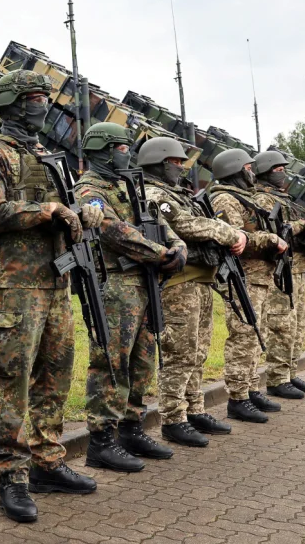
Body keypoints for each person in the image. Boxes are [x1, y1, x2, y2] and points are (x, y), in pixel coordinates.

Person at [0, 70, 99, 523]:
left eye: (44, 97)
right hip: (17, 287)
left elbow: (75, 202)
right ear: (10, 102)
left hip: (58, 282)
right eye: (32, 97)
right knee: (14, 379)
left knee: (55, 374)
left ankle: (48, 462)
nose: (41, 105)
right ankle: (13, 475)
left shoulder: (49, 156)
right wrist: (46, 209)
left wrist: (87, 212)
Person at [76, 123, 185, 472]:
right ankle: (101, 440)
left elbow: (158, 223)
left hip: (144, 282)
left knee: (142, 361)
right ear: (105, 151)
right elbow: (113, 232)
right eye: (123, 148)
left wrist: (177, 246)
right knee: (111, 363)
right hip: (115, 287)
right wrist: (161, 253)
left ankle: (131, 427)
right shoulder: (89, 190)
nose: (128, 154)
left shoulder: (129, 186)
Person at [137, 137, 245, 447]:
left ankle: (194, 409)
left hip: (199, 280)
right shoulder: (156, 194)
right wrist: (227, 232)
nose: (181, 168)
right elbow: (184, 225)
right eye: (176, 162)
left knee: (197, 351)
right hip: (177, 284)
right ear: (159, 163)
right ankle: (173, 418)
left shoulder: (179, 193)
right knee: (179, 353)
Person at [208, 149, 287, 422]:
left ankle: (252, 388)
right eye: (248, 168)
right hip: (242, 277)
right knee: (243, 337)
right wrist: (270, 240)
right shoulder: (225, 199)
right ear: (235, 170)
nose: (252, 172)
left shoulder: (243, 198)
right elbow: (237, 240)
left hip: (258, 277)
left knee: (256, 335)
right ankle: (238, 398)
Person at [251, 151, 305, 401]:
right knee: (280, 325)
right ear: (264, 171)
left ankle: (290, 371)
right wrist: (303, 225)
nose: (282, 172)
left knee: (298, 325)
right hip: (279, 269)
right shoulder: (262, 199)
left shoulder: (285, 198)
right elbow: (277, 229)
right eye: (277, 168)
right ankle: (277, 378)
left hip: (297, 267)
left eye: (283, 168)